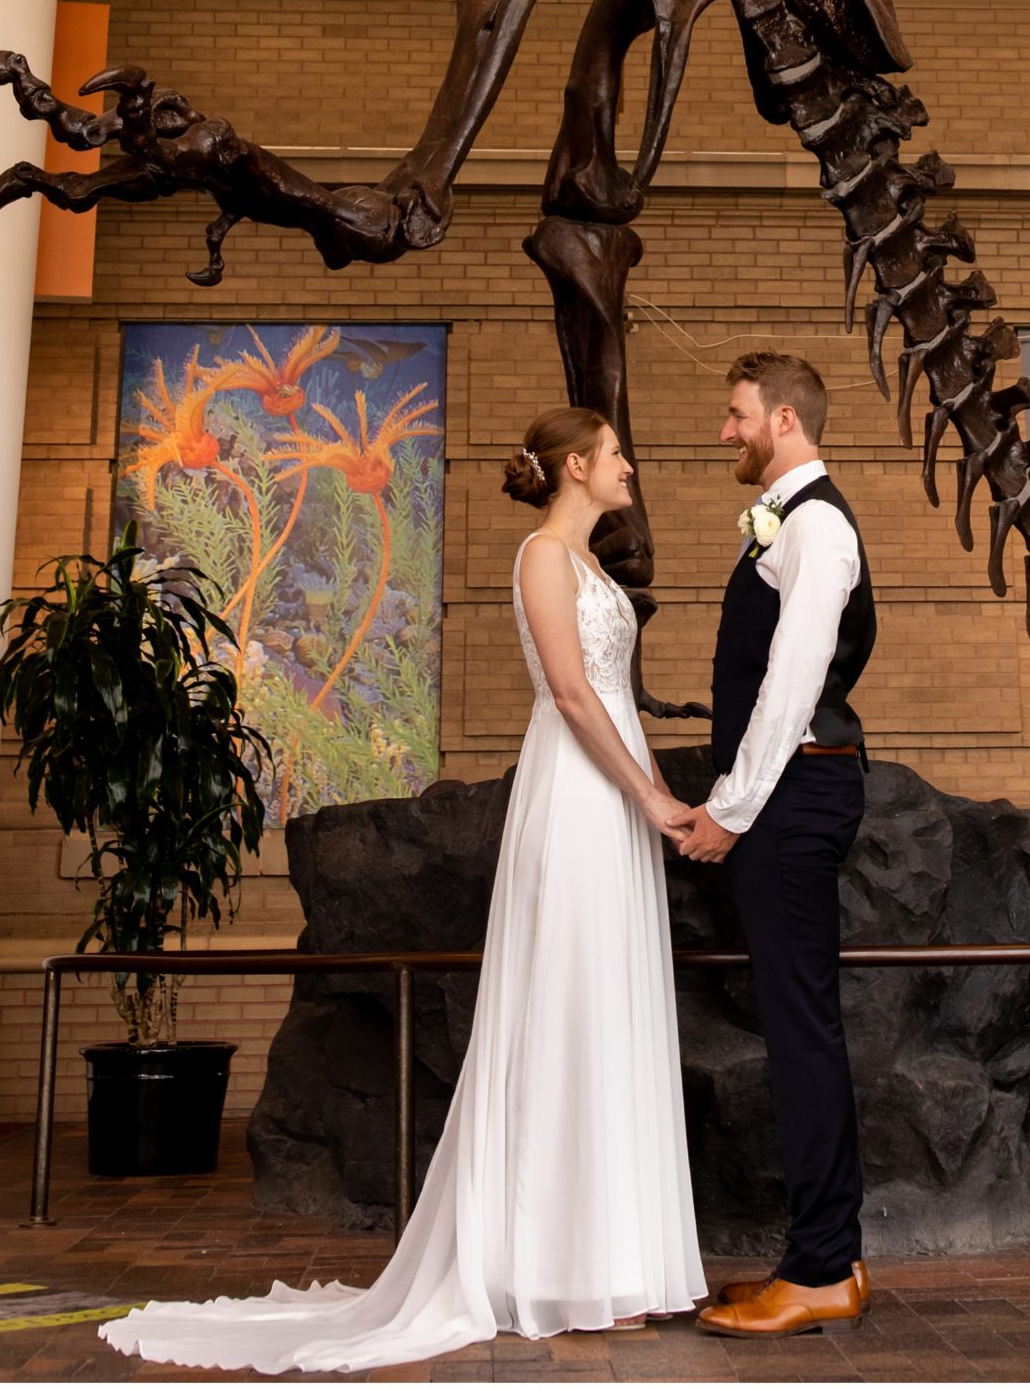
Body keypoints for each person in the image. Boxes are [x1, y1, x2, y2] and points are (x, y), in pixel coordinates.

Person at [101, 408, 706, 1375]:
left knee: (610, 1006)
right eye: (617, 454)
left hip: (617, 785)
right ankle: (546, 1263)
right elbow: (569, 691)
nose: (632, 465)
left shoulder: (590, 564)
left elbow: (611, 689)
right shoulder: (542, 557)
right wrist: (648, 792)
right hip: (584, 791)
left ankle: (610, 1259)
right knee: (568, 1006)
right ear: (579, 466)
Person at [680, 350, 877, 1341]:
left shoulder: (819, 526)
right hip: (790, 792)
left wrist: (731, 806)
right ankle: (824, 1256)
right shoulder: (789, 521)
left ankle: (821, 1266)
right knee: (797, 1018)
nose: (726, 431)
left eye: (737, 414)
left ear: (786, 420)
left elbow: (792, 684)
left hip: (792, 793)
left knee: (800, 1025)